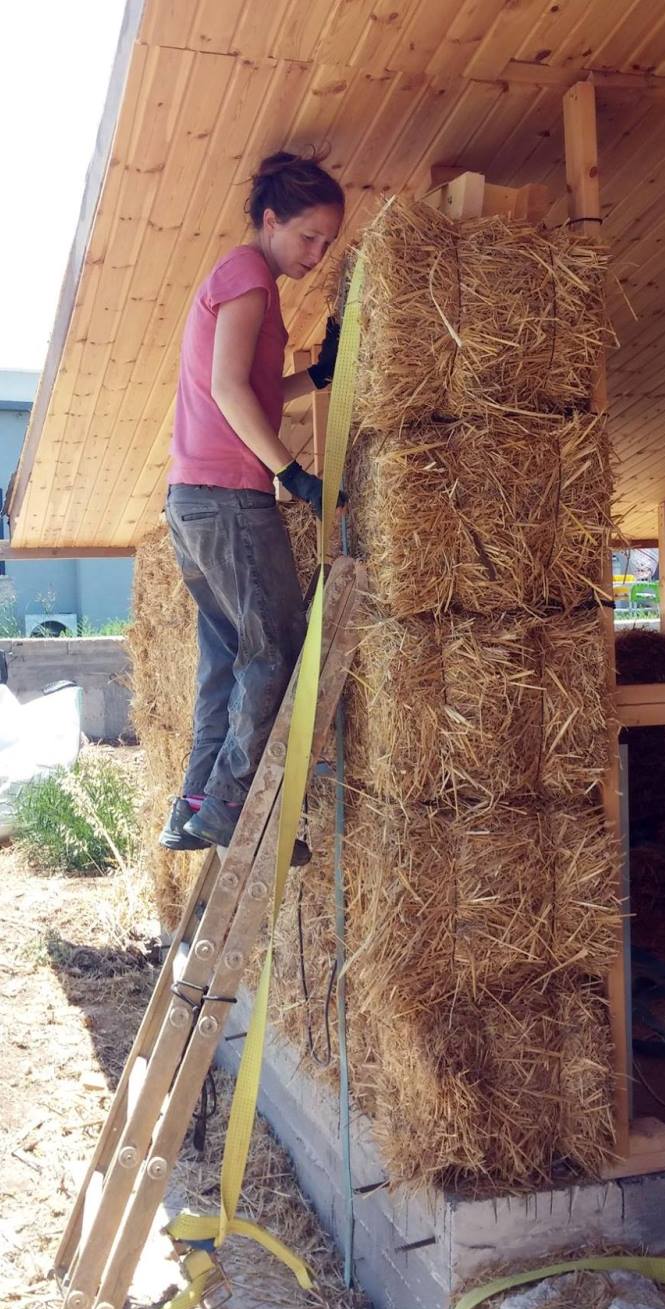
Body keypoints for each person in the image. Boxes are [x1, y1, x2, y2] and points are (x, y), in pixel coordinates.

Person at [159, 150, 345, 853]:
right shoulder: (245, 275)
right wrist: (292, 474)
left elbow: (248, 387)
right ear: (270, 220)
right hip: (229, 498)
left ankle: (196, 803)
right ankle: (235, 808)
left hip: (194, 501)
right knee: (276, 650)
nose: (318, 254)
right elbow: (230, 391)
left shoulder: (248, 286)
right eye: (308, 237)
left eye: (328, 243)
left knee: (230, 659)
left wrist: (314, 376)